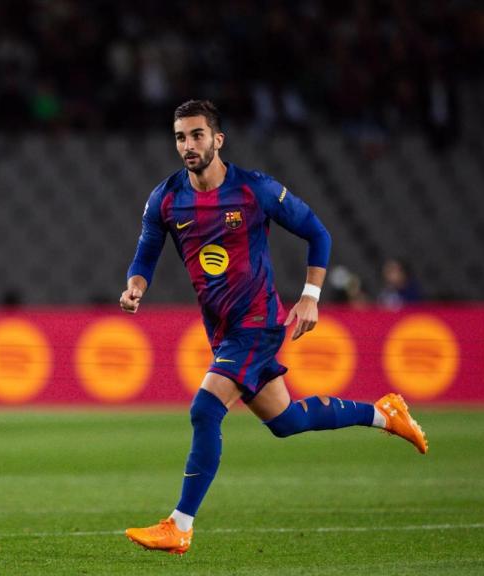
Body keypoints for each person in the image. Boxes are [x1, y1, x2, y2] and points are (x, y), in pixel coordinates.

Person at [119, 100, 427, 556]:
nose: (188, 145)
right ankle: (385, 413)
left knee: (204, 410)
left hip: (257, 323)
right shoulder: (165, 198)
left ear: (217, 139)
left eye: (197, 135)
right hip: (222, 330)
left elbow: (318, 234)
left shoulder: (254, 190)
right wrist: (136, 284)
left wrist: (310, 296)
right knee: (285, 421)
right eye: (181, 137)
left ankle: (180, 525)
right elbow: (147, 250)